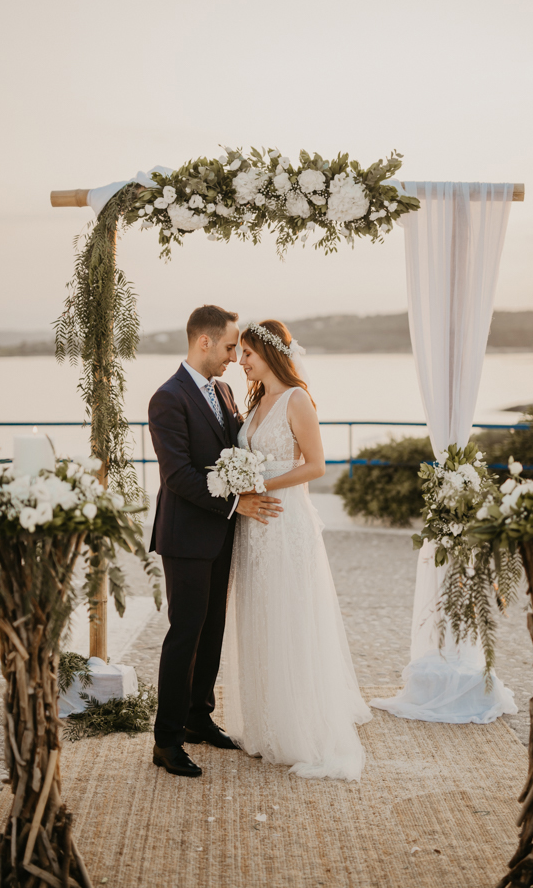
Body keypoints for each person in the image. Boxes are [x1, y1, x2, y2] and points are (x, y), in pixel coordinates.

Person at [222, 320, 372, 781]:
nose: (241, 362)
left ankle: (298, 727)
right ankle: (265, 722)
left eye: (248, 354)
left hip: (286, 523)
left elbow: (317, 465)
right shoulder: (255, 403)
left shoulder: (296, 399)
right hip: (254, 528)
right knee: (259, 616)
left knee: (290, 617)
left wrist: (261, 484)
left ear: (270, 354)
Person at [148, 305, 283, 778]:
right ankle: (166, 740)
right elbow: (178, 476)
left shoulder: (223, 390)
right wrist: (235, 504)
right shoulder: (167, 399)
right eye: (228, 347)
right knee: (185, 633)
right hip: (186, 536)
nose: (232, 357)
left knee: (212, 630)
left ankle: (197, 718)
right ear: (203, 341)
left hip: (222, 534)